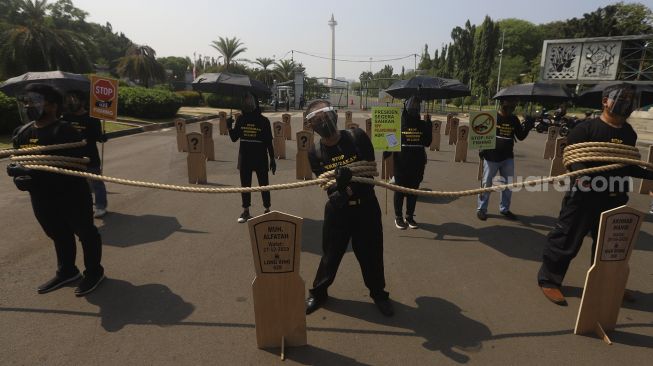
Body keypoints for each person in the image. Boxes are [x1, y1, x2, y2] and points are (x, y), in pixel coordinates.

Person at [537, 83, 653, 305]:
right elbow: (573, 159)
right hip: (583, 198)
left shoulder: (629, 133)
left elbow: (627, 164)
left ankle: (607, 283)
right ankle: (549, 281)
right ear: (605, 101)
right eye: (620, 98)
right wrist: (583, 178)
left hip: (616, 198)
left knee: (611, 246)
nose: (625, 103)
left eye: (629, 100)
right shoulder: (585, 129)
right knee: (566, 240)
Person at [7, 83, 104, 296]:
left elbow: (76, 165)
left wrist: (35, 174)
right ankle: (67, 271)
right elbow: (22, 161)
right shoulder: (21, 133)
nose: (29, 105)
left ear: (52, 105)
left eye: (35, 100)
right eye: (27, 101)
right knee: (57, 234)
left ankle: (94, 272)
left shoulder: (66, 131)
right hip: (41, 197)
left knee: (86, 233)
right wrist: (19, 175)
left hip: (71, 195)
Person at [304, 99, 393, 317]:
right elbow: (329, 190)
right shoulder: (314, 153)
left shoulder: (357, 137)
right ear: (311, 126)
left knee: (371, 254)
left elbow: (369, 173)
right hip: (338, 212)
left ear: (334, 115)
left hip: (366, 209)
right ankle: (319, 291)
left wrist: (346, 186)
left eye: (325, 115)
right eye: (316, 119)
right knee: (330, 255)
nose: (322, 120)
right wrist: (342, 188)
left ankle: (378, 293)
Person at [476, 99, 533, 221]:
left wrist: (528, 127)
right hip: (491, 157)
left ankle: (505, 209)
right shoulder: (491, 117)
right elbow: (480, 132)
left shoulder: (514, 119)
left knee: (508, 184)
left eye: (512, 107)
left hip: (507, 157)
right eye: (508, 106)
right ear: (502, 104)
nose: (510, 109)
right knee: (486, 184)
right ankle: (481, 209)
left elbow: (520, 136)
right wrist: (481, 148)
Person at [227, 92, 276, 223]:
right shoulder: (240, 119)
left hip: (260, 157)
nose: (247, 103)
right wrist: (229, 127)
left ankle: (267, 209)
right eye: (245, 100)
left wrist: (273, 158)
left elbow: (268, 142)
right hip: (245, 157)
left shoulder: (263, 120)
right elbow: (234, 138)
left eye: (249, 100)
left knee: (264, 184)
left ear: (255, 103)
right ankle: (246, 210)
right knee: (245, 185)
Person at [387, 96, 432, 229]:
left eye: (417, 106)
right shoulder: (398, 122)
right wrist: (387, 150)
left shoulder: (422, 124)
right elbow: (390, 138)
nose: (414, 108)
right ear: (406, 106)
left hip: (417, 163)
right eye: (411, 105)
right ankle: (398, 217)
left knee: (413, 192)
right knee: (399, 191)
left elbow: (427, 142)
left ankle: (409, 216)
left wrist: (428, 125)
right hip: (401, 163)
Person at [63, 90, 109, 218]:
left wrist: (103, 137)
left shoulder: (92, 118)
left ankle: (100, 206)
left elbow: (98, 137)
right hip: (71, 157)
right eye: (69, 99)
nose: (71, 102)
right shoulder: (66, 118)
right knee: (75, 184)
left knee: (96, 183)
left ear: (82, 102)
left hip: (90, 156)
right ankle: (80, 206)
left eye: (74, 99)